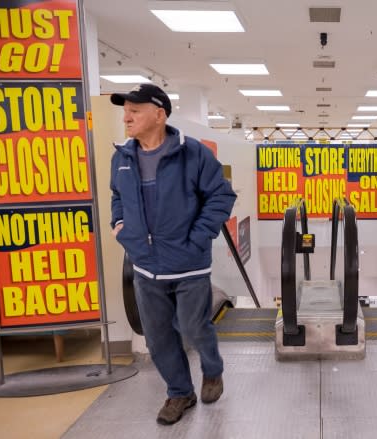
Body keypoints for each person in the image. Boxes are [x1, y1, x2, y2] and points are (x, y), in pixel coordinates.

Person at [109, 83, 237, 425]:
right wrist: (120, 224)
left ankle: (212, 371)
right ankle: (180, 393)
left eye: (135, 111)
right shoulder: (121, 157)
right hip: (145, 267)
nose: (127, 117)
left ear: (159, 114)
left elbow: (221, 197)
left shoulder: (193, 153)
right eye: (126, 111)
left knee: (195, 327)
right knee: (158, 337)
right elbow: (116, 196)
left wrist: (197, 238)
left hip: (189, 265)